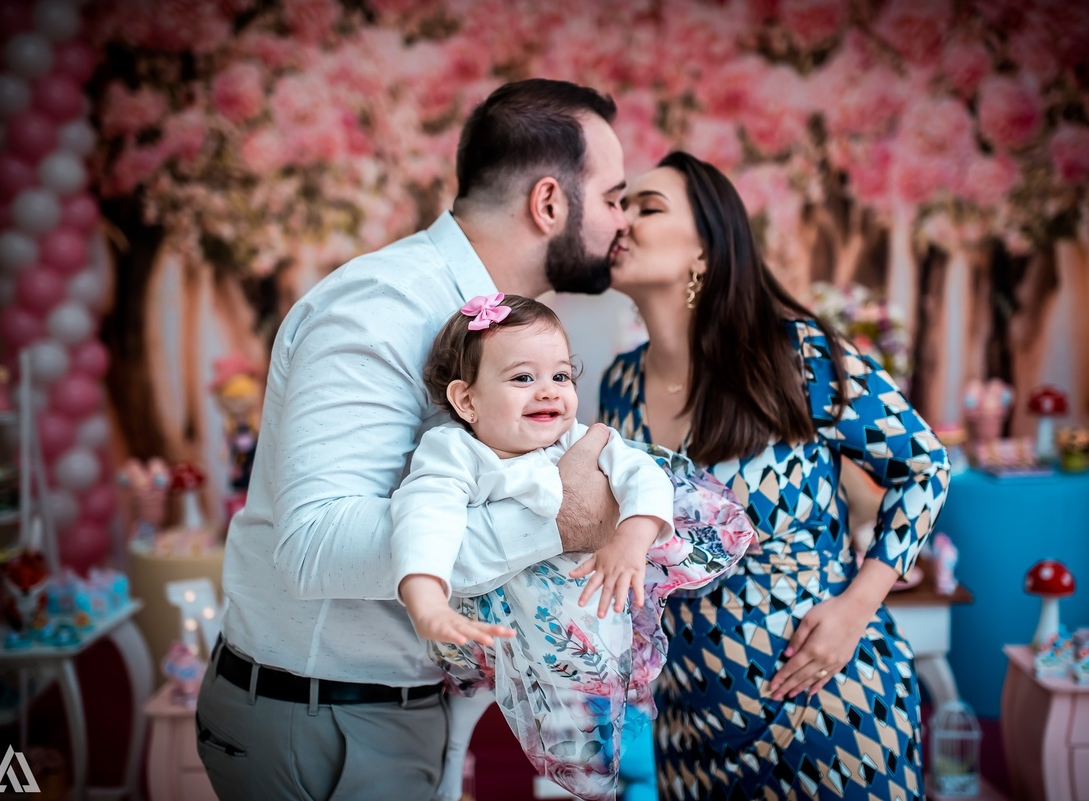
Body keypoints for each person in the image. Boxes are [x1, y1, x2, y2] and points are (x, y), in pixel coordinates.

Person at [195, 78, 633, 801]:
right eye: (614, 198)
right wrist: (554, 521)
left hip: (390, 711)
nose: (622, 220)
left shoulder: (505, 333)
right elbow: (314, 545)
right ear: (550, 203)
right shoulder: (383, 309)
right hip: (326, 719)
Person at [599, 151, 952, 800]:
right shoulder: (617, 385)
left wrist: (857, 608)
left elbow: (924, 467)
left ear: (705, 249)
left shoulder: (796, 356)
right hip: (690, 725)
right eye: (618, 205)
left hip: (831, 706)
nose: (621, 219)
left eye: (647, 207)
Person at [392, 292, 682, 801]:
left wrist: (631, 540)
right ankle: (450, 775)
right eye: (523, 377)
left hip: (580, 624)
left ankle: (617, 779)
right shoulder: (456, 451)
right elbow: (424, 520)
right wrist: (427, 602)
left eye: (562, 376)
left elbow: (648, 478)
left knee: (605, 730)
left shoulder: (581, 441)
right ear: (467, 401)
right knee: (468, 728)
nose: (548, 390)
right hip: (492, 636)